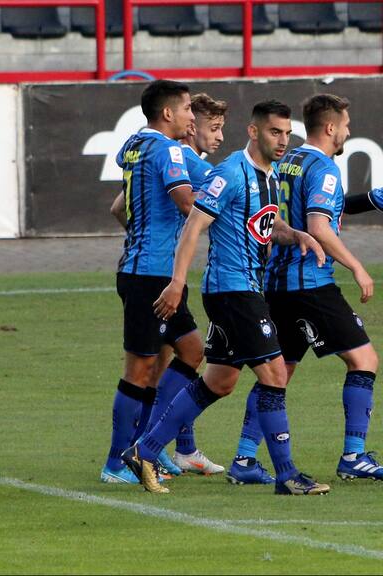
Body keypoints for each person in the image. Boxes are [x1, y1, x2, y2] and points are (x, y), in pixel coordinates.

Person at [125, 100, 331, 496]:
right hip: (232, 290)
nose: (283, 140)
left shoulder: (269, 177)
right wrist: (177, 282)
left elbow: (265, 225)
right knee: (274, 376)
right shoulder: (231, 173)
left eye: (288, 133)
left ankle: (144, 449)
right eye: (275, 132)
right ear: (254, 132)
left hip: (245, 289)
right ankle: (286, 474)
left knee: (219, 381)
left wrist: (298, 235)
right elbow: (193, 226)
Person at [227, 94, 382, 484]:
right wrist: (358, 267)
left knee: (277, 373)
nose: (348, 131)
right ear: (330, 127)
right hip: (311, 283)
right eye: (345, 124)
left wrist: (370, 200)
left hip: (276, 284)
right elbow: (318, 226)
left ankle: (244, 460)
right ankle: (353, 455)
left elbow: (313, 209)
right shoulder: (326, 168)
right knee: (364, 361)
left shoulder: (289, 160)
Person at [101, 80, 211, 484]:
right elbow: (187, 202)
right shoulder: (166, 150)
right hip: (149, 276)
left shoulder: (137, 145)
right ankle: (116, 463)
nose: (191, 117)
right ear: (167, 113)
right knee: (141, 367)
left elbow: (119, 206)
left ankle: (147, 446)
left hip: (154, 271)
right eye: (186, 109)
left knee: (192, 350)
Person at [150, 92, 228, 475]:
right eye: (213, 128)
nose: (218, 138)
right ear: (191, 125)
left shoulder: (163, 159)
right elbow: (203, 204)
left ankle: (182, 447)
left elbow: (119, 206)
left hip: (153, 271)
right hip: (163, 277)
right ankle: (151, 446)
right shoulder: (184, 162)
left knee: (176, 360)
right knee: (183, 357)